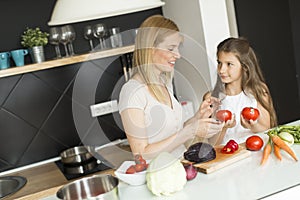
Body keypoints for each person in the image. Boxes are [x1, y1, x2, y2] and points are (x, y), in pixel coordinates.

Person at [118, 15, 224, 159]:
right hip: (159, 174)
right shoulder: (132, 92)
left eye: (178, 48)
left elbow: (174, 133)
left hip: (181, 167)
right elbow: (141, 153)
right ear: (150, 49)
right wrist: (191, 131)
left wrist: (198, 117)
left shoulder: (164, 82)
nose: (178, 55)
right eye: (171, 48)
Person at [205, 37, 277, 145]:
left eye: (229, 64)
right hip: (229, 156)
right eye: (219, 63)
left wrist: (252, 126)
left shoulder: (258, 91)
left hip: (256, 152)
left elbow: (267, 128)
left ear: (245, 67)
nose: (221, 70)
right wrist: (223, 128)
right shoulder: (212, 97)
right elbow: (212, 144)